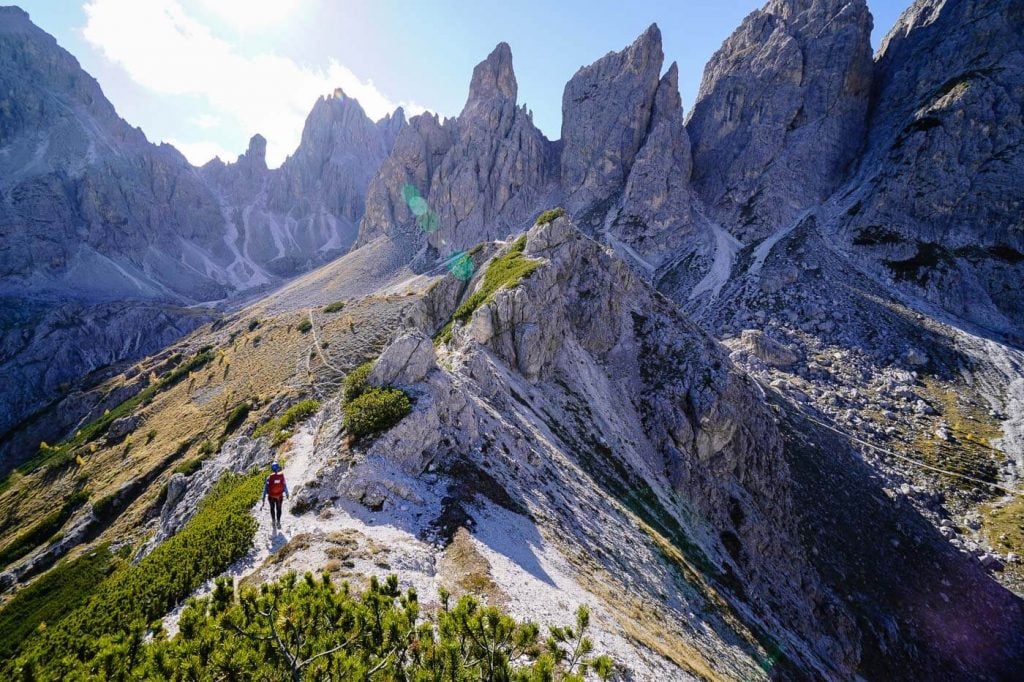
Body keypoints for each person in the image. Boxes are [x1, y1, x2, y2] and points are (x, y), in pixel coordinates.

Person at [261, 462, 289, 531]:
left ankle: (273, 521)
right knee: (279, 509)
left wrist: (263, 498)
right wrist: (287, 494)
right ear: (278, 467)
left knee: (272, 508)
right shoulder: (281, 476)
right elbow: (284, 486)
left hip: (271, 496)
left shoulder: (269, 477)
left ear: (272, 469)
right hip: (279, 496)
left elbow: (265, 489)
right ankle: (278, 522)